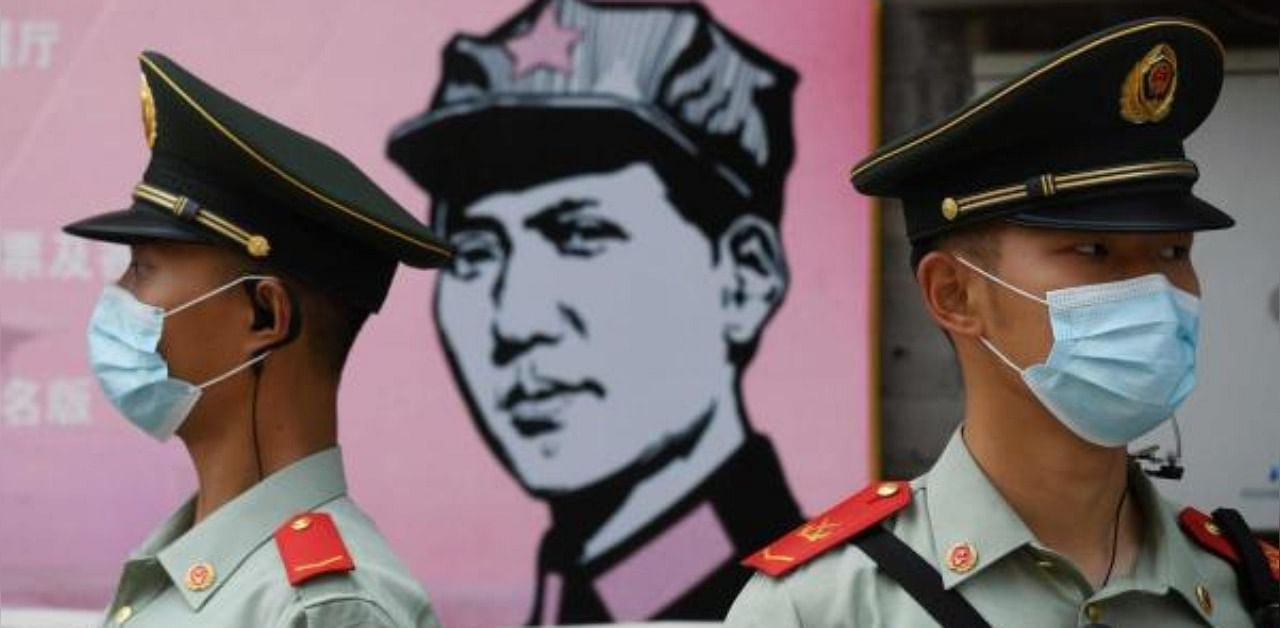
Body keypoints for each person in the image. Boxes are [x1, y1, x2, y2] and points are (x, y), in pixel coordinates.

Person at [726, 17, 1279, 627]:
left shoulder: (1247, 594)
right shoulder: (825, 608)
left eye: (1174, 252)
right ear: (955, 294)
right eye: (1094, 251)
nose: (1151, 291)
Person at [386, 0, 804, 622]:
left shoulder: (800, 603)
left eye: (580, 234)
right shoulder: (587, 591)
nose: (516, 322)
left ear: (744, 279)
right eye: (474, 253)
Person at [64, 51, 452, 627]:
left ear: (264, 316)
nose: (117, 298)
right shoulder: (195, 571)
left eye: (143, 269)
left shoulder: (322, 608)